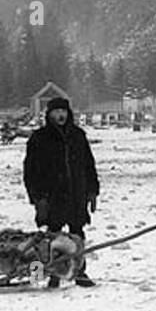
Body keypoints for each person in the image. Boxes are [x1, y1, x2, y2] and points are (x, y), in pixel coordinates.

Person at [23, 96, 100, 288]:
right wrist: (37, 198)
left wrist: (92, 192)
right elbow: (30, 171)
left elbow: (89, 165)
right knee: (46, 238)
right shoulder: (39, 138)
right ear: (49, 114)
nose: (61, 115)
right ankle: (41, 275)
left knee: (77, 235)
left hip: (75, 195)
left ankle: (79, 272)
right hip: (51, 197)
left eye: (64, 111)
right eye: (56, 111)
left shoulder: (78, 136)